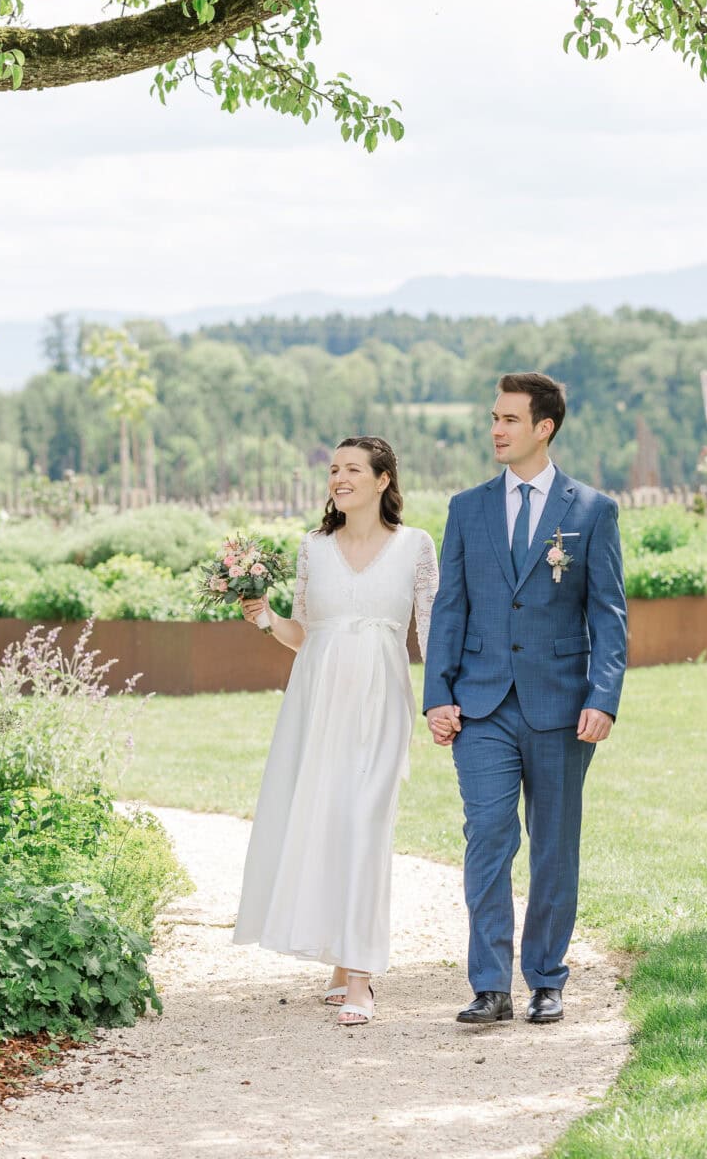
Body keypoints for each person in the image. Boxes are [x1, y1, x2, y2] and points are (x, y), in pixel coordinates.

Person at [423, 372, 627, 1026]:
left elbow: (609, 616)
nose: (496, 430)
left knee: (553, 844)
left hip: (563, 705)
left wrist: (604, 695)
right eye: (493, 418)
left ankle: (545, 976)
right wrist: (437, 695)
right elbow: (448, 608)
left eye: (509, 419)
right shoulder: (467, 508)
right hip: (481, 704)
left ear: (544, 427)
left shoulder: (592, 511)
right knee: (487, 835)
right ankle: (489, 985)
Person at [233, 436, 439, 1026]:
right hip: (316, 702)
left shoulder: (415, 547)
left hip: (380, 702)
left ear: (382, 479)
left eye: (352, 469)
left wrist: (445, 699)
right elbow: (306, 633)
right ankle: (341, 960)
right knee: (327, 821)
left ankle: (362, 977)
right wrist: (266, 618)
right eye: (333, 469)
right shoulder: (312, 548)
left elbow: (433, 630)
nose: (339, 478)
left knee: (366, 824)